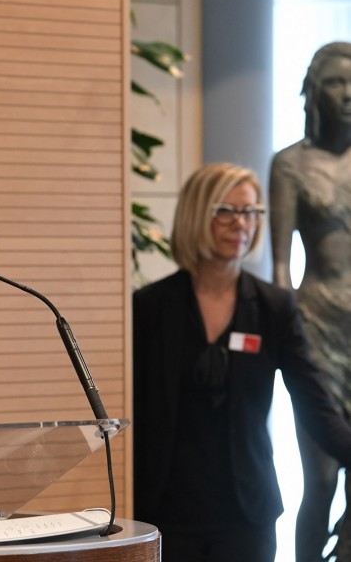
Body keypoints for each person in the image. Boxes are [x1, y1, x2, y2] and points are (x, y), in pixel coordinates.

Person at [132, 162, 351, 562]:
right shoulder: (150, 307)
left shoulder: (273, 307)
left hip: (247, 515)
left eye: (250, 211)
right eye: (226, 211)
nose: (241, 223)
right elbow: (134, 413)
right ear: (197, 214)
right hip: (166, 513)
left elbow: (315, 403)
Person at [270, 41, 351, 562]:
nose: (348, 94)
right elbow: (279, 266)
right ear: (313, 92)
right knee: (320, 479)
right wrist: (285, 343)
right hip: (316, 329)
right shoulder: (290, 164)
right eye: (336, 83)